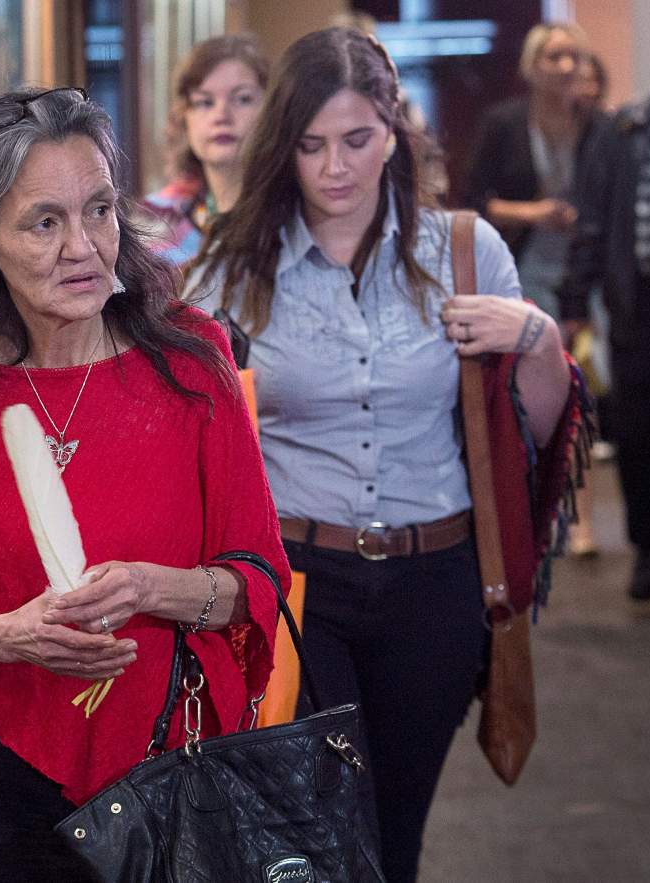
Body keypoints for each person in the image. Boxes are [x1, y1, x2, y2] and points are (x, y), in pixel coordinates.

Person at [183, 28, 584, 882]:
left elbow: (542, 434)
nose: (335, 167)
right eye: (311, 144)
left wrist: (538, 338)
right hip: (298, 585)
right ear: (283, 147)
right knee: (323, 832)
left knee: (394, 831)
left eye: (357, 139)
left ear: (395, 130)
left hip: (435, 585)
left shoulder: (466, 253)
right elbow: (198, 444)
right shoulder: (226, 270)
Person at [0, 86, 290, 879]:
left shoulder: (191, 361)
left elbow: (258, 581)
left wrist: (147, 587)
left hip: (170, 762)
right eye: (44, 221)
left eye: (99, 209)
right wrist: (9, 635)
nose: (84, 246)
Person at [559, 9, 650, 601]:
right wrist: (575, 300)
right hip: (643, 302)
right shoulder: (626, 127)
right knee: (642, 430)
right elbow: (595, 220)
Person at [465, 23, 606, 322]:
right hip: (524, 262)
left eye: (575, 57)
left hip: (586, 269)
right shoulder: (503, 123)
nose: (567, 67)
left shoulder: (599, 126)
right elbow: (472, 202)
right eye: (555, 57)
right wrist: (533, 213)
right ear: (532, 65)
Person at [142, 34, 270, 266]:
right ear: (184, 118)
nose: (221, 115)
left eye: (242, 99)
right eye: (205, 102)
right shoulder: (152, 219)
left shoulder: (298, 214)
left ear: (270, 111)